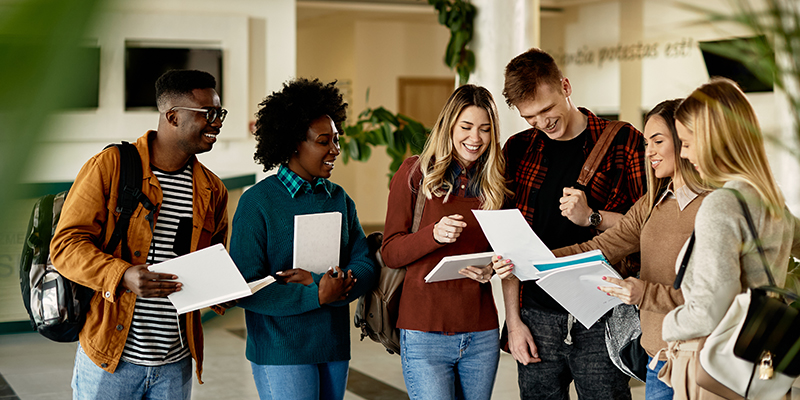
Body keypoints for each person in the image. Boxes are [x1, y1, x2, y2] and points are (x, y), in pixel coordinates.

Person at [495, 99, 709, 399]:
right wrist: (528, 261)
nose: (649, 152)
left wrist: (644, 293)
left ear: (686, 139)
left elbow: (716, 296)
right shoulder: (650, 205)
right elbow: (600, 247)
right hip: (658, 359)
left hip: (702, 357)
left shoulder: (717, 205)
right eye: (647, 143)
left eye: (658, 141)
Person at [50, 69, 230, 399]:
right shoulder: (111, 166)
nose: (218, 122)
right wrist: (122, 274)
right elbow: (65, 246)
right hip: (110, 360)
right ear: (173, 116)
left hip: (176, 364)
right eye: (209, 113)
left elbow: (214, 260)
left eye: (220, 113)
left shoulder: (212, 190)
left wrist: (230, 287)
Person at [495, 47, 646, 399]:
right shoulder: (517, 149)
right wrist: (514, 323)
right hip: (535, 315)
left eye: (547, 109)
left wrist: (592, 217)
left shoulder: (623, 142)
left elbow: (647, 229)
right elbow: (509, 247)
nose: (543, 123)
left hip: (602, 312)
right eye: (530, 117)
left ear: (565, 86)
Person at [229, 77, 378, 400]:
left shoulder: (339, 199)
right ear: (295, 142)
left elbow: (364, 261)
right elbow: (243, 287)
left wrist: (338, 282)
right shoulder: (257, 203)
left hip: (333, 345)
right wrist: (317, 293)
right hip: (281, 350)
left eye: (336, 140)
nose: (335, 150)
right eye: (324, 141)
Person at [660, 78, 798, 399]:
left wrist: (668, 325)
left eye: (687, 142)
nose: (683, 154)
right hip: (764, 363)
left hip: (717, 364)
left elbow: (709, 309)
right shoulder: (769, 199)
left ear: (714, 140)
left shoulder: (722, 204)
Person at [380, 84, 511, 400]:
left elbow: (504, 250)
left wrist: (491, 269)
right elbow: (390, 252)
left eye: (485, 129)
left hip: (481, 331)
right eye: (466, 127)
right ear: (448, 126)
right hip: (424, 331)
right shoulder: (415, 174)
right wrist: (432, 235)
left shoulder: (495, 183)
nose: (475, 138)